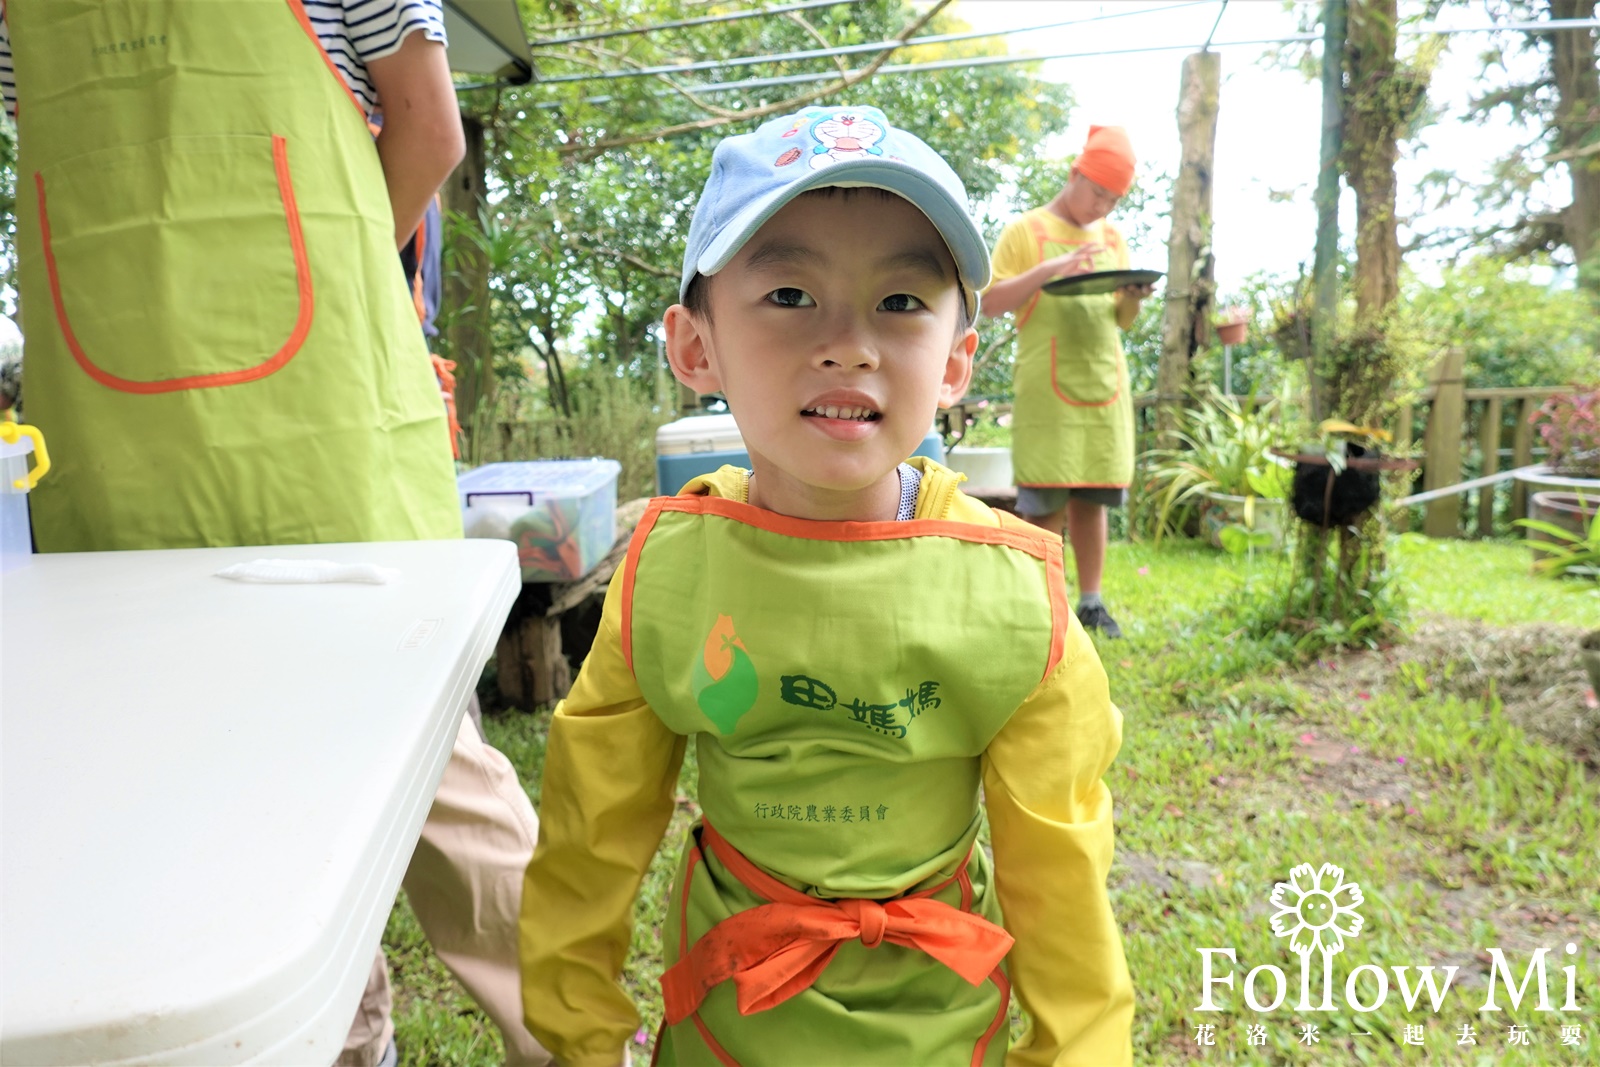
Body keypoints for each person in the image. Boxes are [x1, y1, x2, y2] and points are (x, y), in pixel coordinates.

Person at [518, 105, 1133, 1067]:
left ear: (958, 360)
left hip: (937, 1027)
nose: (850, 342)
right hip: (728, 1024)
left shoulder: (1014, 597)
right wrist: (582, 1036)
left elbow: (1062, 880)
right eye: (792, 294)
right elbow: (588, 831)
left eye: (900, 303)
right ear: (696, 347)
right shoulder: (669, 572)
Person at [3, 3, 546, 1064]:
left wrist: (322, 284)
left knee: (421, 757)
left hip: (320, 420)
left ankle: (576, 1036)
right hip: (118, 450)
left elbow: (428, 131)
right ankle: (343, 1042)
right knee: (209, 787)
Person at [981, 126, 1155, 639]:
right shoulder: (1026, 231)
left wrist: (1134, 295)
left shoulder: (1113, 239)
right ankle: (1044, 604)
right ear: (1074, 174)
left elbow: (1121, 319)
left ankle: (1091, 602)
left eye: (1113, 199)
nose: (1103, 206)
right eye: (1098, 191)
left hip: (1103, 382)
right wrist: (1050, 269)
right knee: (1047, 497)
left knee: (1092, 495)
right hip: (1046, 387)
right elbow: (990, 303)